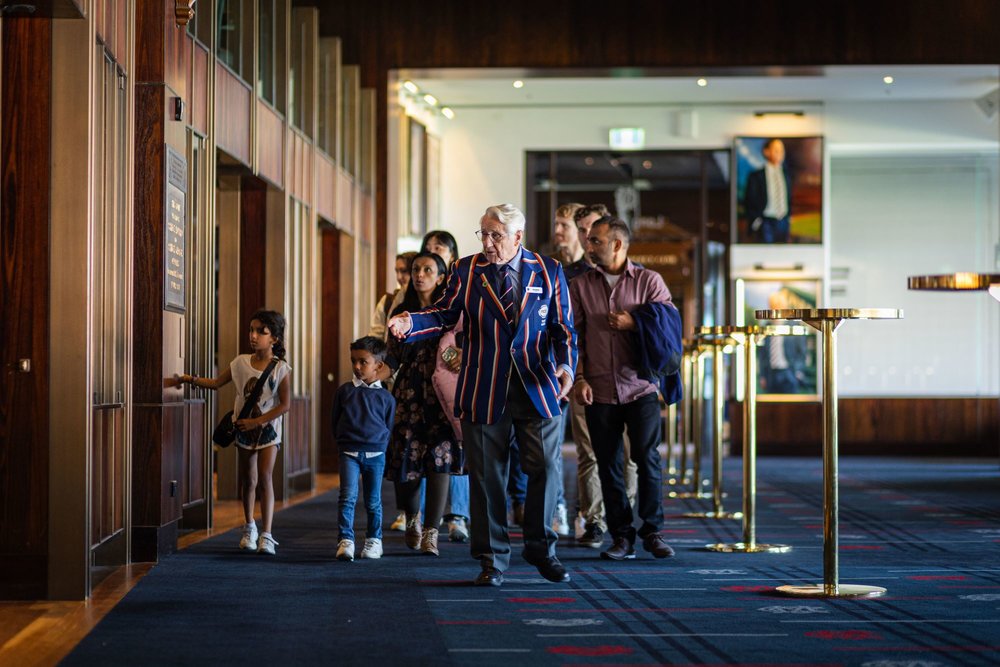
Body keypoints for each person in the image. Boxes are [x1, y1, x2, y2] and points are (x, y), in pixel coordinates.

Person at [388, 204, 577, 587]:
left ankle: (542, 549)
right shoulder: (467, 270)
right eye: (483, 234)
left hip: (537, 385)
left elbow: (564, 331)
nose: (488, 243)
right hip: (483, 386)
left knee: (544, 467)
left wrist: (566, 366)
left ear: (518, 237)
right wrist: (411, 322)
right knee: (488, 476)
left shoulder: (549, 271)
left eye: (496, 235)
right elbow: (443, 313)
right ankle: (492, 559)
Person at [570, 216, 675, 561]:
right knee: (608, 464)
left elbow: (669, 327)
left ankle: (653, 530)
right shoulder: (582, 285)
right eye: (589, 240)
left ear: (617, 244)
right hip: (598, 389)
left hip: (640, 387)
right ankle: (622, 536)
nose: (589, 245)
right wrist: (580, 378)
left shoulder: (649, 281)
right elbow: (574, 338)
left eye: (596, 240)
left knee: (647, 459)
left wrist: (634, 322)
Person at [178, 309, 292, 556]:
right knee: (248, 479)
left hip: (268, 432)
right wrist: (189, 379)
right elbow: (217, 383)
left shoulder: (281, 369)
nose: (254, 336)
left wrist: (258, 421)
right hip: (242, 428)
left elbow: (285, 405)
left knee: (265, 477)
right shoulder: (240, 363)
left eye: (261, 331)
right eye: (252, 330)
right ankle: (249, 527)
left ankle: (267, 534)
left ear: (274, 338)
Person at [565, 204, 637, 549]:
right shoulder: (571, 276)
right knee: (589, 453)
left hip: (628, 381)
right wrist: (576, 375)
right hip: (588, 377)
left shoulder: (635, 276)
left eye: (592, 232)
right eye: (581, 232)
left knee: (628, 454)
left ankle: (622, 516)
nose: (586, 240)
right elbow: (569, 332)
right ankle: (594, 520)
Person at [385, 252, 465, 557]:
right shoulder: (402, 311)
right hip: (409, 393)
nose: (419, 274)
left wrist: (460, 358)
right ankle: (413, 520)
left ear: (442, 277)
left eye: (428, 270)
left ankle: (432, 531)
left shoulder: (451, 313)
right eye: (416, 269)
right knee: (406, 460)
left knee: (440, 460)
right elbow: (391, 357)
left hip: (442, 394)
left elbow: (463, 346)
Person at [422, 230, 471, 543]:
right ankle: (427, 517)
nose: (432, 252)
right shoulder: (409, 291)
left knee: (459, 443)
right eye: (428, 249)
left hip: (454, 377)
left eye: (439, 248)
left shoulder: (462, 288)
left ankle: (458, 515)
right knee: (429, 451)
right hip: (422, 382)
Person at [332, 336, 396, 561]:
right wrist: (342, 443)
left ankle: (374, 540)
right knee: (347, 497)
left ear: (378, 365)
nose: (357, 367)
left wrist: (380, 446)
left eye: (363, 362)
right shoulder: (344, 392)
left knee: (373, 500)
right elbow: (335, 421)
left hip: (375, 454)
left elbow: (388, 426)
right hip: (349, 452)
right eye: (353, 362)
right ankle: (345, 540)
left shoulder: (386, 398)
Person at [744, 138, 792, 243]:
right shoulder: (756, 176)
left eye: (781, 150)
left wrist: (788, 219)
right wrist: (757, 221)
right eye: (776, 150)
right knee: (765, 256)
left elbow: (788, 198)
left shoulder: (787, 174)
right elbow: (749, 200)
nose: (780, 153)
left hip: (783, 222)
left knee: (783, 256)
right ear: (766, 151)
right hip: (765, 222)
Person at [370, 251, 418, 341]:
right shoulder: (388, 301)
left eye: (404, 271)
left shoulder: (427, 301)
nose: (399, 277)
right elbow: (375, 338)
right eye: (397, 271)